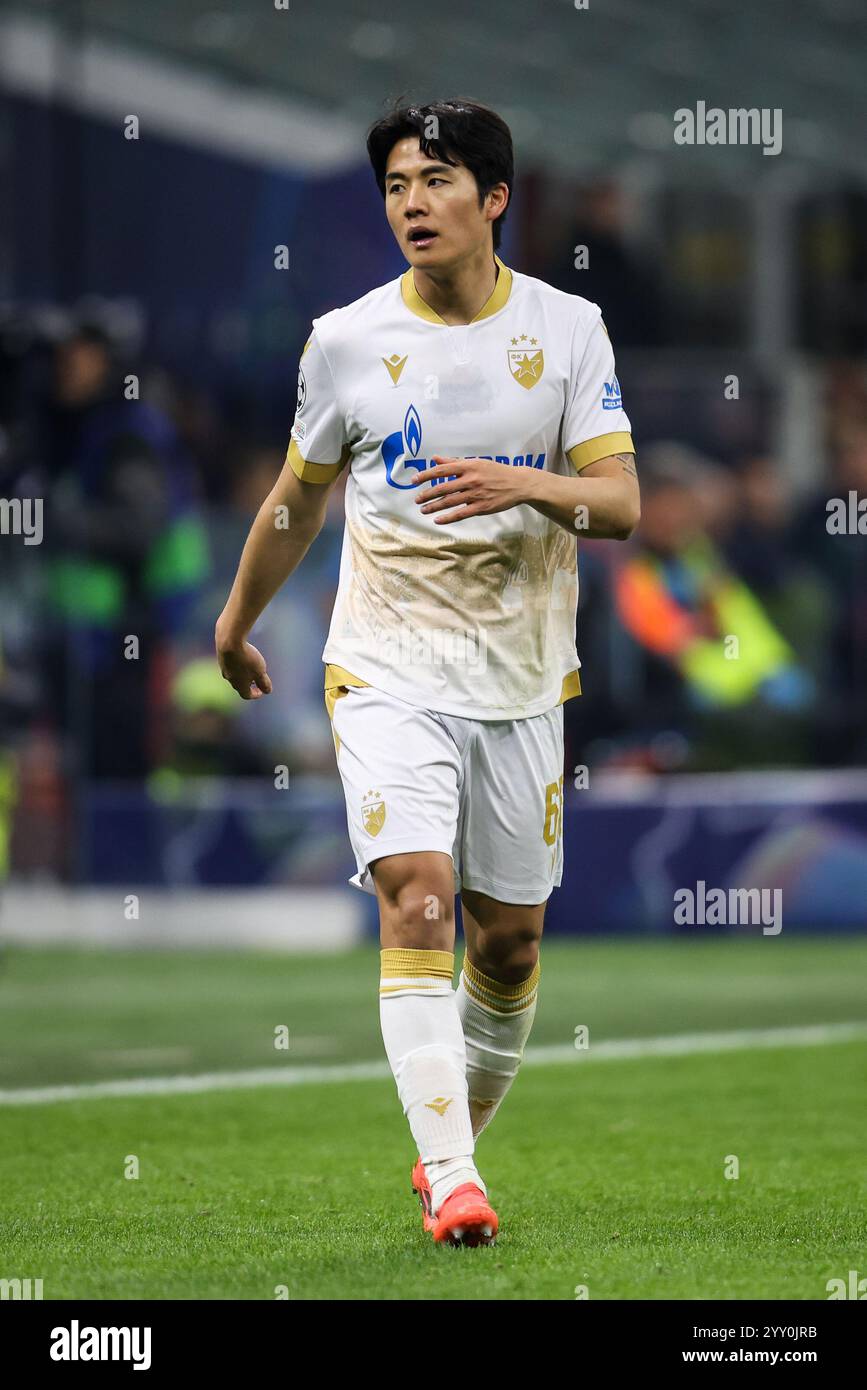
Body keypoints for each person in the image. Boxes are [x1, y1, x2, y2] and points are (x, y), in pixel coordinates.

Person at [215, 100, 639, 1246]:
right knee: (417, 893)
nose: (413, 200)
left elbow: (621, 504)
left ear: (495, 199)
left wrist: (530, 485)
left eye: (438, 179)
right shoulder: (346, 339)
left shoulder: (569, 331)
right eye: (398, 183)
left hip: (521, 680)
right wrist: (237, 619)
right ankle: (456, 1178)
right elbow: (296, 501)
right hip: (387, 666)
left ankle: (444, 1153)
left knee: (508, 944)